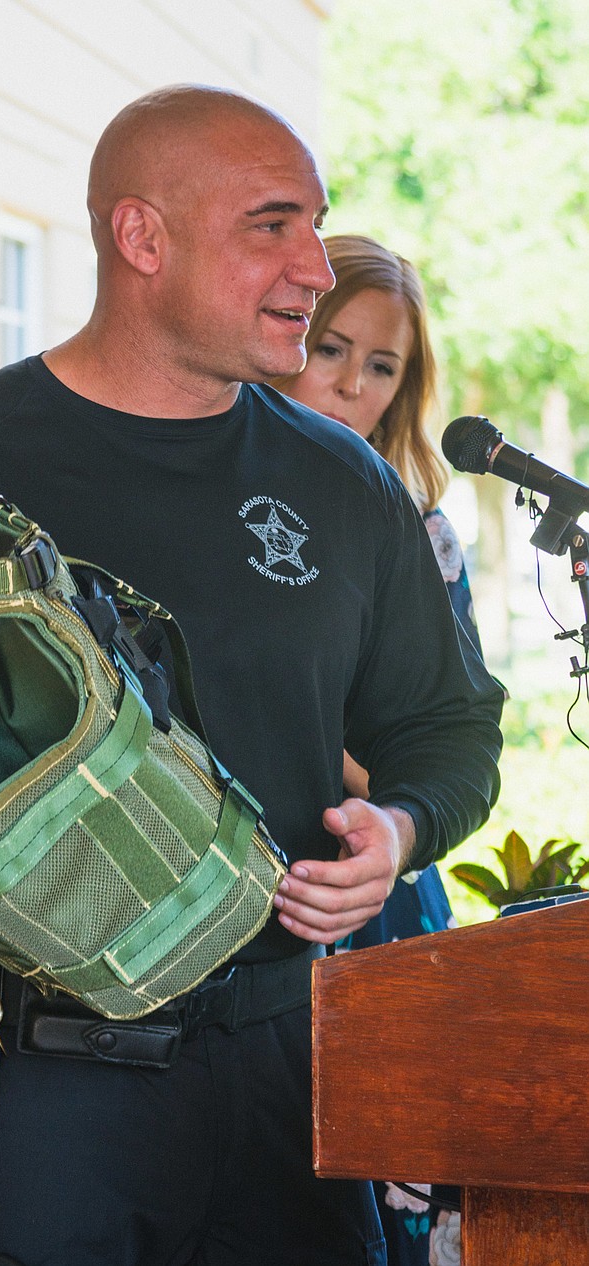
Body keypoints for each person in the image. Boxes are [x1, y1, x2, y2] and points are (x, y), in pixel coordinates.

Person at [0, 86, 503, 1266]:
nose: (315, 267)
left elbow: (450, 727)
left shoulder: (344, 485)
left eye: (316, 224)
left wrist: (402, 830)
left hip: (288, 1087)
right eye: (271, 226)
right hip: (40, 1106)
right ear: (142, 238)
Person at [273, 233, 485, 1266]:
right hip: (241, 919)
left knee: (385, 1206)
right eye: (331, 348)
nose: (351, 384)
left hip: (380, 896)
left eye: (382, 366)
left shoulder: (423, 535)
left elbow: (438, 749)